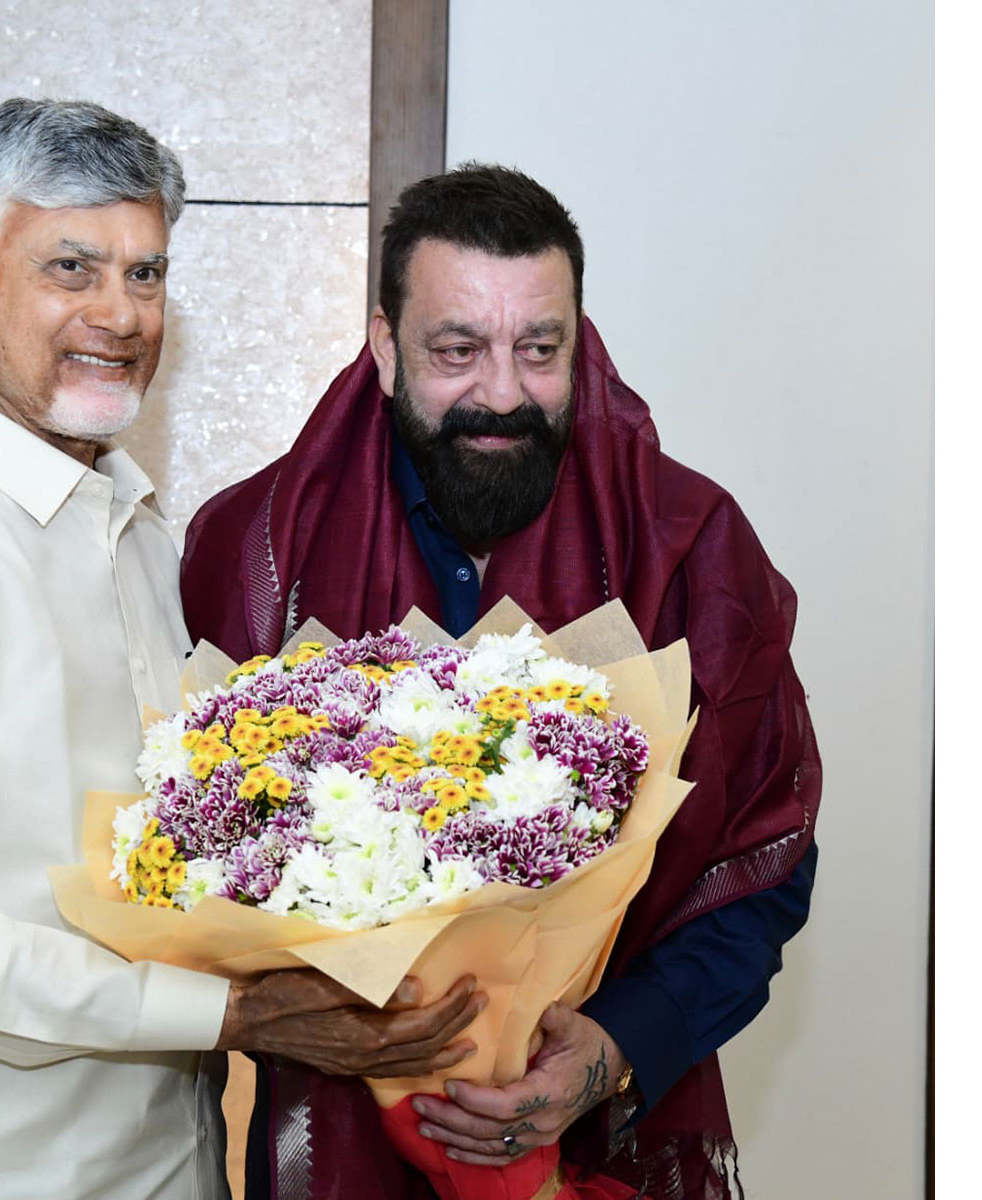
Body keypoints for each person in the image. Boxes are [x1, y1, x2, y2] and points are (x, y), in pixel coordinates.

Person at [0, 98, 485, 1200]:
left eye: (146, 274)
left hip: (171, 1164)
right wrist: (222, 1012)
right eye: (70, 267)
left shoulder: (138, 538)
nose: (120, 314)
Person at [180, 164, 822, 1200]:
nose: (503, 393)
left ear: (580, 340)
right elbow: (195, 853)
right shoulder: (252, 551)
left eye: (539, 348)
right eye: (456, 349)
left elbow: (765, 857)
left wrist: (611, 1047)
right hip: (337, 1134)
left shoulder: (687, 547)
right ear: (385, 347)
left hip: (605, 1135)